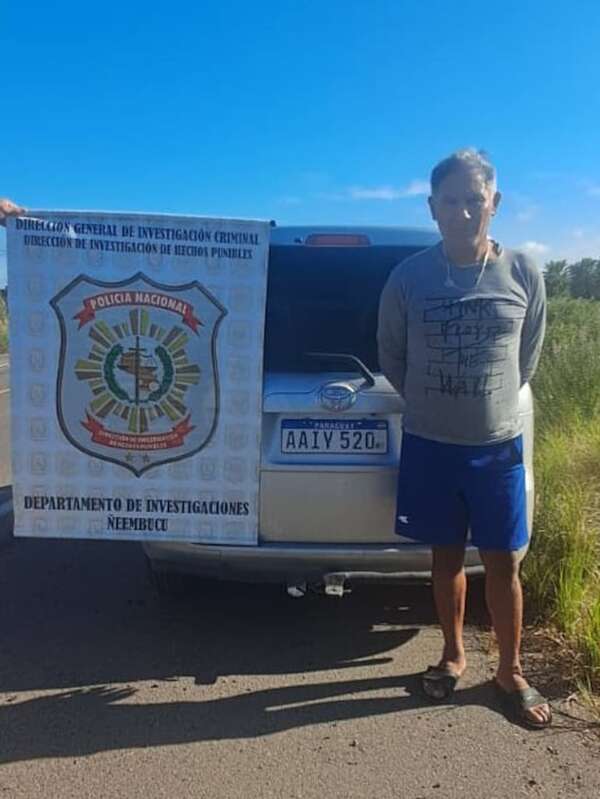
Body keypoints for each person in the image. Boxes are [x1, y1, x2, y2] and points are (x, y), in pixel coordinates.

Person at [377, 149, 551, 728]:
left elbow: (526, 358)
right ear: (433, 208)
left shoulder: (523, 271)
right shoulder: (408, 279)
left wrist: (487, 404)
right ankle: (452, 656)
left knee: (503, 563)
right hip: (431, 444)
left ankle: (509, 671)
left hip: (497, 449)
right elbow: (393, 358)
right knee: (445, 556)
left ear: (494, 204)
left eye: (474, 200)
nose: (462, 212)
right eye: (450, 201)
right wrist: (438, 403)